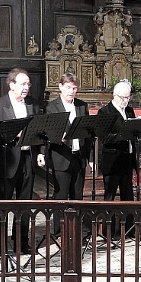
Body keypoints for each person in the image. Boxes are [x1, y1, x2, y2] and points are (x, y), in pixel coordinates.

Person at [0, 68, 42, 257]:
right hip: (6, 161)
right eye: (23, 84)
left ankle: (21, 243)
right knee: (3, 205)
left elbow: (41, 131)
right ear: (12, 84)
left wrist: (40, 152)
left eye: (28, 84)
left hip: (27, 159)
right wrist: (13, 133)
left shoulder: (33, 104)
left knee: (25, 204)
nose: (26, 88)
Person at [43, 73, 92, 236]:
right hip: (61, 158)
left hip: (79, 157)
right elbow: (47, 133)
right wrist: (58, 137)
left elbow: (88, 134)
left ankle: (75, 229)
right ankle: (59, 231)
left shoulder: (82, 106)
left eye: (74, 88)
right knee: (61, 196)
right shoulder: (51, 108)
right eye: (68, 87)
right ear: (60, 87)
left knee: (77, 196)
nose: (71, 91)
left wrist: (90, 158)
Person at [97, 80, 136, 236]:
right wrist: (123, 135)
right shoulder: (104, 113)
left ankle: (130, 230)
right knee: (110, 197)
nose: (125, 101)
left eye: (128, 97)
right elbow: (104, 138)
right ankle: (109, 232)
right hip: (112, 161)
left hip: (127, 160)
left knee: (128, 197)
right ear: (114, 95)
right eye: (123, 97)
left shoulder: (129, 111)